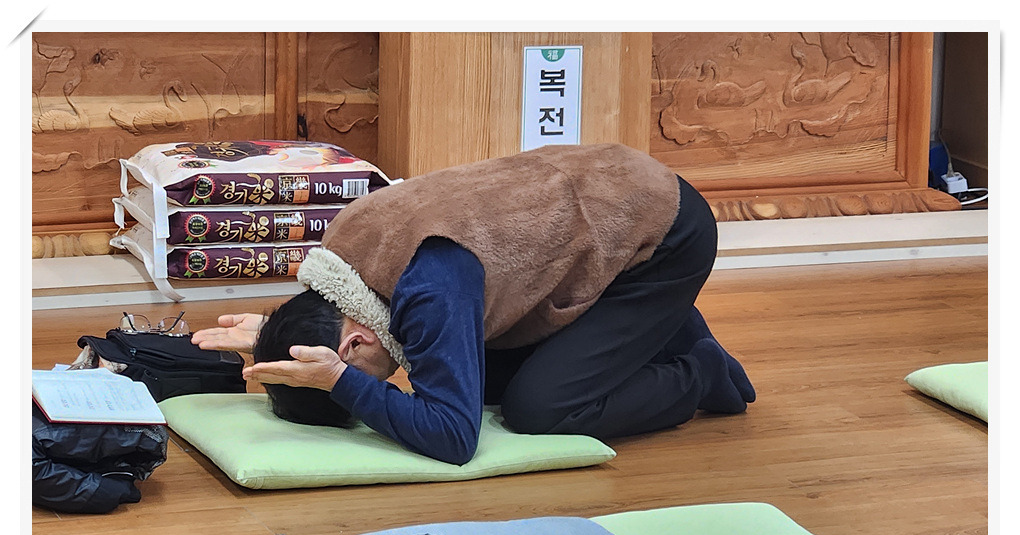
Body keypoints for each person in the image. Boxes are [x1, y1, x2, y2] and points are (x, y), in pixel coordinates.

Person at [192, 143, 755, 465]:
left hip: (661, 235)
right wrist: (277, 335)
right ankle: (657, 322)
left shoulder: (429, 291)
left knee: (541, 410)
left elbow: (455, 439)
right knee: (481, 382)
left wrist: (341, 382)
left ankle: (698, 371)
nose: (385, 383)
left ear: (354, 342)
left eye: (368, 375)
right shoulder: (343, 252)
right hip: (604, 197)